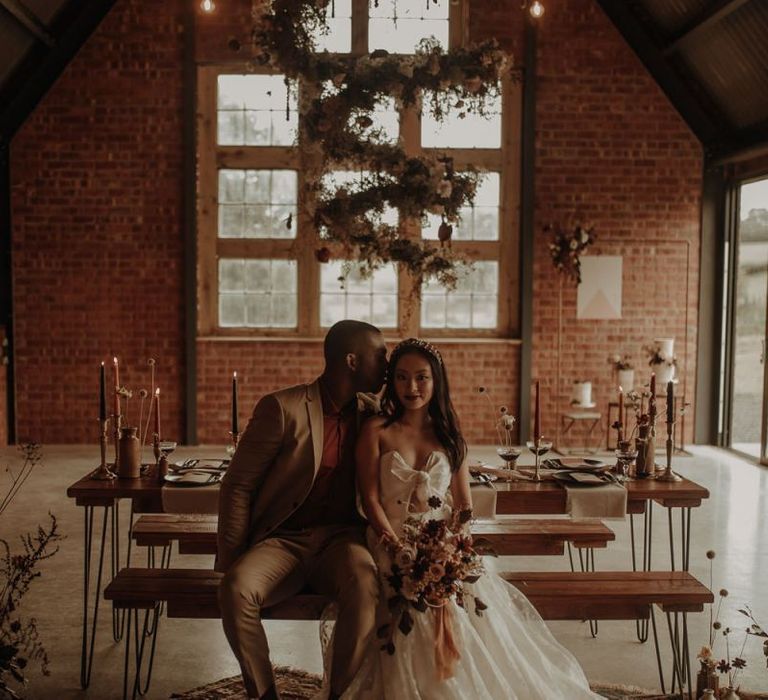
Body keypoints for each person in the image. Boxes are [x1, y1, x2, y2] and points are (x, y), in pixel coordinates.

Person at [333, 337, 601, 699]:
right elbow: (370, 500)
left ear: (436, 380)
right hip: (387, 537)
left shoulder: (448, 434)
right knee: (404, 599)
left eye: (422, 377)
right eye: (401, 377)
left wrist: (448, 549)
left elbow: (463, 506)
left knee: (458, 597)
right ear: (391, 381)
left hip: (440, 540)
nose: (411, 387)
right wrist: (398, 548)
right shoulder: (376, 430)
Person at [217, 320, 389, 700]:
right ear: (351, 361)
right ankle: (264, 696)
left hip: (343, 542)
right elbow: (237, 484)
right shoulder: (282, 408)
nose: (386, 364)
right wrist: (233, 557)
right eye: (380, 356)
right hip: (284, 542)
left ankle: (336, 696)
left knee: (365, 586)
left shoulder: (374, 412)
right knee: (236, 588)